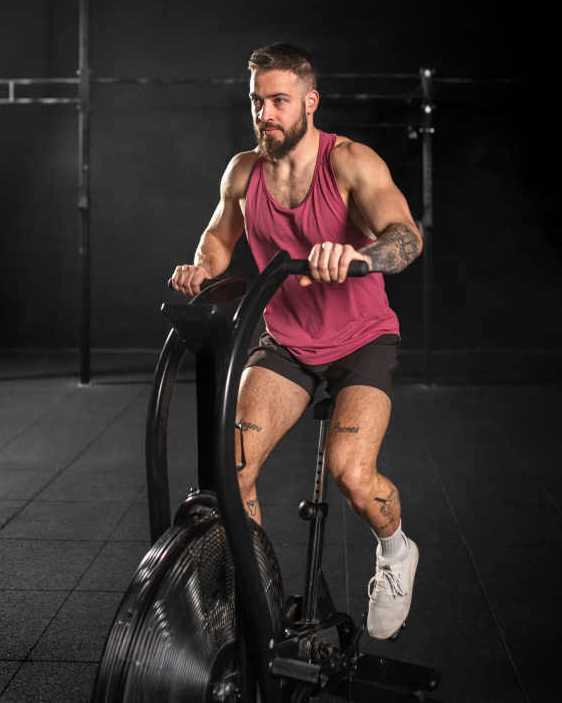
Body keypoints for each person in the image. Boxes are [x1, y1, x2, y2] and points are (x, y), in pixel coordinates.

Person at [171, 43, 423, 640]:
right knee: (228, 473)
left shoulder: (351, 163)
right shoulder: (243, 171)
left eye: (279, 101)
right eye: (258, 102)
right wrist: (201, 269)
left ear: (310, 102)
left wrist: (358, 257)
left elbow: (406, 237)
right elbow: (216, 239)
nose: (266, 114)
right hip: (285, 342)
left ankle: (397, 549)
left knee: (353, 477)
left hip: (361, 341)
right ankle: (257, 600)